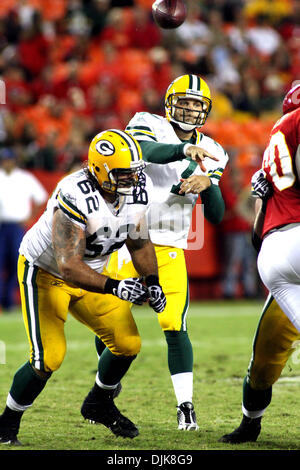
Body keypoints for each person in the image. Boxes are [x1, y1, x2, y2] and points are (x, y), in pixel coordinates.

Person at [0, 129, 167, 445]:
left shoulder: (135, 190)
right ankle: (6, 425)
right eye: (124, 173)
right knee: (48, 358)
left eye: (135, 171)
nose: (132, 179)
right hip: (47, 273)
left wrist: (153, 282)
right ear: (101, 170)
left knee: (127, 344)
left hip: (93, 275)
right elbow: (69, 266)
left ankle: (98, 402)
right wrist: (115, 286)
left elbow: (139, 241)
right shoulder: (74, 193)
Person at [95, 74, 229, 430]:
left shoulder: (216, 150)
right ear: (170, 103)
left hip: (169, 245)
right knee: (110, 321)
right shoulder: (148, 123)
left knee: (174, 324)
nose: (190, 108)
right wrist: (183, 150)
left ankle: (185, 406)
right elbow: (143, 151)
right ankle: (105, 389)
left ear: (206, 110)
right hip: (129, 238)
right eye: (184, 101)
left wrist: (207, 186)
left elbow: (216, 215)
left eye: (197, 104)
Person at [220, 83, 300, 444]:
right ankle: (250, 423)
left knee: (264, 362)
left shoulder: (274, 148)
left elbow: (258, 238)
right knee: (264, 360)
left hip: (280, 256)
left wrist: (263, 197)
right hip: (287, 252)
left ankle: (250, 424)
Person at [0, 147, 47, 312]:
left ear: (13, 160)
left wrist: (31, 217)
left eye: (8, 159)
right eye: (4, 160)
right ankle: (2, 301)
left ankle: (8, 302)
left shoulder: (24, 178)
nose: (6, 163)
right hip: (2, 226)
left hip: (17, 226)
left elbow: (41, 197)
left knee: (15, 262)